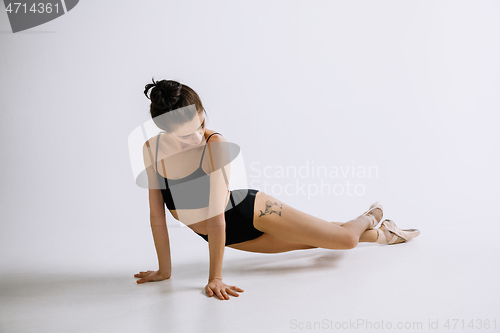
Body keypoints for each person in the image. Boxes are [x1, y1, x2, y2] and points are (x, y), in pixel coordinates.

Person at [134, 79, 420, 300]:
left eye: (201, 124)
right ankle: (385, 234)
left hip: (252, 213)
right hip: (226, 236)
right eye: (185, 136)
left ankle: (370, 217)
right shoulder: (152, 150)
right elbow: (156, 215)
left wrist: (215, 278)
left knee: (344, 240)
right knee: (318, 240)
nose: (197, 136)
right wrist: (164, 271)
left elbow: (215, 216)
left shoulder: (214, 145)